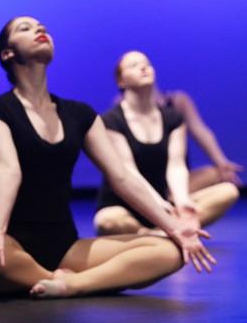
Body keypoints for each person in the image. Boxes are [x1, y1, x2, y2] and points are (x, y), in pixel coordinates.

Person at [0, 17, 214, 299]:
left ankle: (72, 285)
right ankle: (59, 280)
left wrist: (175, 228)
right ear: (7, 53)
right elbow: (9, 169)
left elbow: (121, 176)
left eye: (42, 27)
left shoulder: (80, 114)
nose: (40, 30)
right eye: (25, 28)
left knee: (171, 250)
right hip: (8, 240)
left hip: (64, 246)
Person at [94, 51, 239, 235]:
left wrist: (182, 201)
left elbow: (176, 166)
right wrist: (156, 205)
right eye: (133, 65)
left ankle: (165, 231)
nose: (143, 67)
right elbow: (128, 171)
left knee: (228, 191)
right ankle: (157, 233)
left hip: (165, 200)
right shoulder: (111, 120)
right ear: (121, 81)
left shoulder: (173, 117)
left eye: (146, 63)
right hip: (129, 202)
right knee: (107, 220)